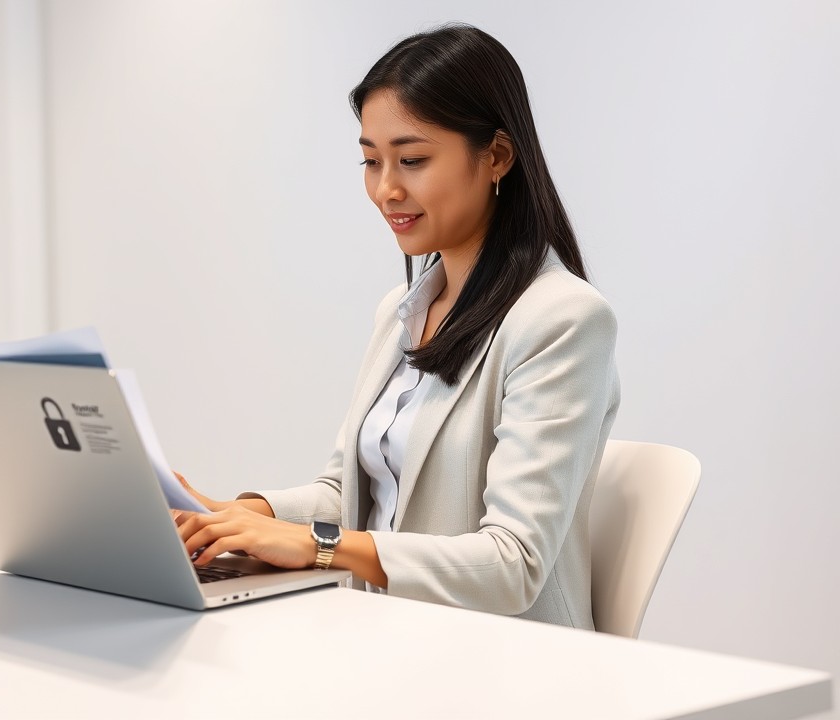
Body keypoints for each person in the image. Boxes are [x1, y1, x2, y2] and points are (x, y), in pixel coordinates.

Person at [171, 22, 621, 630]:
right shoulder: (401, 310)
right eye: (370, 160)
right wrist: (235, 513)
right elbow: (349, 495)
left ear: (496, 157)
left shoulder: (562, 320)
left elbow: (512, 563)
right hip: (388, 635)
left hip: (505, 662)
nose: (386, 189)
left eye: (411, 160)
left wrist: (319, 546)